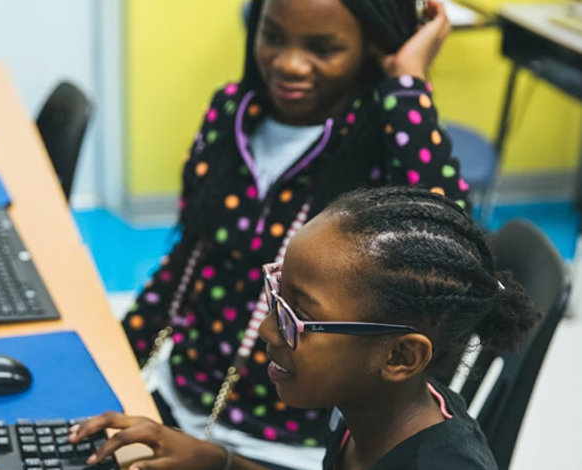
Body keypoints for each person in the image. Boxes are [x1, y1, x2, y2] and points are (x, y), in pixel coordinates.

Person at [123, 0, 470, 467]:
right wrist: (117, 354)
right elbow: (188, 258)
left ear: (371, 46)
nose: (289, 64)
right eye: (273, 37)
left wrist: (407, 77)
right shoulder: (231, 110)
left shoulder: (380, 139)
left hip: (289, 441)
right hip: (182, 399)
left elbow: (449, 249)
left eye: (322, 49)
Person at [74, 186, 540, 470]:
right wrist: (218, 461)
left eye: (297, 318)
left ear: (400, 357)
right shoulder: (370, 408)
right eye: (277, 299)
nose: (267, 332)